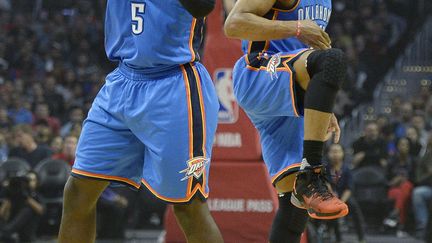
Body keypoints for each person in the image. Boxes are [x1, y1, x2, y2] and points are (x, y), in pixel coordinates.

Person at [58, 1, 223, 243]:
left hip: (174, 84)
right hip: (122, 80)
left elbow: (203, 6)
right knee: (78, 192)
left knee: (188, 206)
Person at [224, 0, 349, 242]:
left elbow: (313, 59)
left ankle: (305, 180)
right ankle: (311, 173)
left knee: (294, 209)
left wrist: (319, 103)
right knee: (333, 59)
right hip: (259, 72)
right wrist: (297, 27)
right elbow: (234, 24)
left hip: (290, 87)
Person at [326, 144, 366, 243]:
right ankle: (336, 237)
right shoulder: (325, 169)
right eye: (333, 151)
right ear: (328, 154)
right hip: (328, 197)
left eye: (338, 151)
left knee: (354, 206)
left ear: (343, 154)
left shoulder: (347, 169)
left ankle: (361, 237)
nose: (335, 154)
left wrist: (341, 202)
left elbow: (349, 188)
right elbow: (324, 184)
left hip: (344, 197)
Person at [0, 171, 45, 242]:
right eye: (28, 180)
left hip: (27, 236)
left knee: (28, 210)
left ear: (37, 182)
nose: (30, 182)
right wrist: (7, 197)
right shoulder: (14, 197)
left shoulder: (37, 196)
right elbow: (3, 216)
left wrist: (26, 197)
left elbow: (41, 210)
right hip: (10, 235)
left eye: (33, 180)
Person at [412, 134, 432, 239]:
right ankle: (422, 227)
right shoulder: (426, 154)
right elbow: (419, 176)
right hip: (429, 187)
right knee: (418, 193)